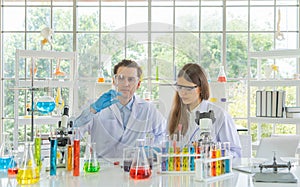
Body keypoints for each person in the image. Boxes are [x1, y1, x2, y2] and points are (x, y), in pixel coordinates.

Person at [74, 59, 166, 158]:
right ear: (114, 81)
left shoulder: (148, 109)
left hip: (134, 168)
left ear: (138, 84)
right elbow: (74, 133)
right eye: (121, 78)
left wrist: (151, 151)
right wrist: (93, 110)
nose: (125, 84)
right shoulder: (96, 106)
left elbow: (165, 134)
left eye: (131, 79)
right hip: (101, 170)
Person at [168, 63, 242, 158]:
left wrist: (214, 151)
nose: (182, 92)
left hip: (209, 170)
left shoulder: (219, 115)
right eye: (180, 87)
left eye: (188, 88)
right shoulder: (175, 114)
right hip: (180, 170)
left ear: (200, 88)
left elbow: (236, 154)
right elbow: (169, 147)